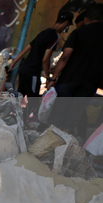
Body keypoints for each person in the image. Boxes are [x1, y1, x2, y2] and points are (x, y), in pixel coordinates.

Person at [46, 4, 103, 138]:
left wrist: (53, 78)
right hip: (90, 83)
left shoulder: (78, 32)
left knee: (59, 114)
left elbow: (65, 56)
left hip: (69, 80)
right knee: (73, 117)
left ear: (86, 19)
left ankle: (50, 144)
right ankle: (65, 143)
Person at [8, 11, 74, 104]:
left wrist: (13, 63)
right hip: (33, 73)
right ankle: (26, 118)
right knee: (32, 102)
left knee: (19, 99)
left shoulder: (44, 32)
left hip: (23, 70)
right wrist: (48, 78)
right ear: (66, 23)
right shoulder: (55, 36)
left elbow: (27, 48)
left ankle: (14, 117)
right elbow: (45, 59)